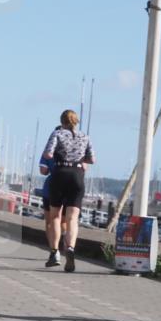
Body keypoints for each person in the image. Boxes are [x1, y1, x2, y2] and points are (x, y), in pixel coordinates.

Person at [42, 110, 94, 272]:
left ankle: (54, 252)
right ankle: (70, 247)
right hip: (77, 176)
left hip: (60, 174)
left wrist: (58, 156)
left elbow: (48, 153)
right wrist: (78, 157)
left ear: (61, 121)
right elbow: (92, 159)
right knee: (72, 218)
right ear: (76, 121)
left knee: (56, 216)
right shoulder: (85, 137)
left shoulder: (57, 134)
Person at [38, 145, 68, 266]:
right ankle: (68, 246)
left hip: (51, 188)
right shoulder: (74, 148)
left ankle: (54, 251)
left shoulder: (48, 150)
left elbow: (43, 171)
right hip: (69, 187)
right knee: (64, 222)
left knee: (50, 221)